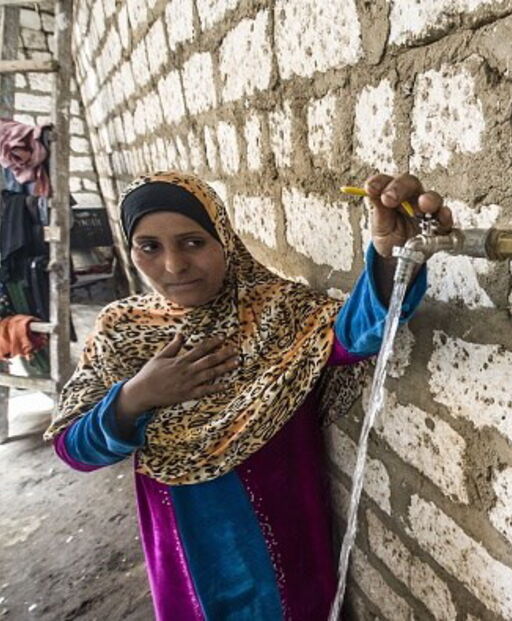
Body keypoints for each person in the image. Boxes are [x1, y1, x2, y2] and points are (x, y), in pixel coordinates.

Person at [44, 170, 453, 620]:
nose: (174, 266)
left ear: (224, 237)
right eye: (150, 247)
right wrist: (135, 397)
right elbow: (73, 448)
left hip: (281, 555)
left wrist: (391, 256)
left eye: (193, 242)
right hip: (184, 559)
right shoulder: (122, 330)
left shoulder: (278, 314)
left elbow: (357, 333)